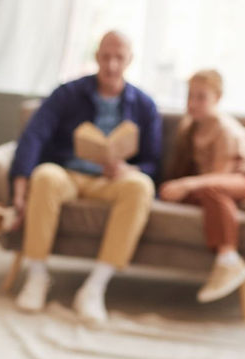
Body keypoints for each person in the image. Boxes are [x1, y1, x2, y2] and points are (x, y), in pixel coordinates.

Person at [10, 30, 162, 324]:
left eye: (119, 57)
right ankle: (38, 275)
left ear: (130, 59)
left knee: (141, 186)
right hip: (68, 172)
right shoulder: (67, 93)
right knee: (45, 176)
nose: (112, 65)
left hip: (114, 180)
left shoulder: (145, 105)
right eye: (106, 56)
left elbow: (154, 163)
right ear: (96, 57)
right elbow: (33, 136)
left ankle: (95, 287)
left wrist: (130, 169)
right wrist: (19, 187)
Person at [158, 69, 245, 303]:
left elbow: (219, 176)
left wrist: (187, 184)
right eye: (190, 96)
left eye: (201, 97)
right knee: (195, 192)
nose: (192, 103)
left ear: (217, 98)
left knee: (211, 190)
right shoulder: (189, 127)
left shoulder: (225, 129)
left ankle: (229, 259)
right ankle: (244, 205)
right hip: (213, 184)